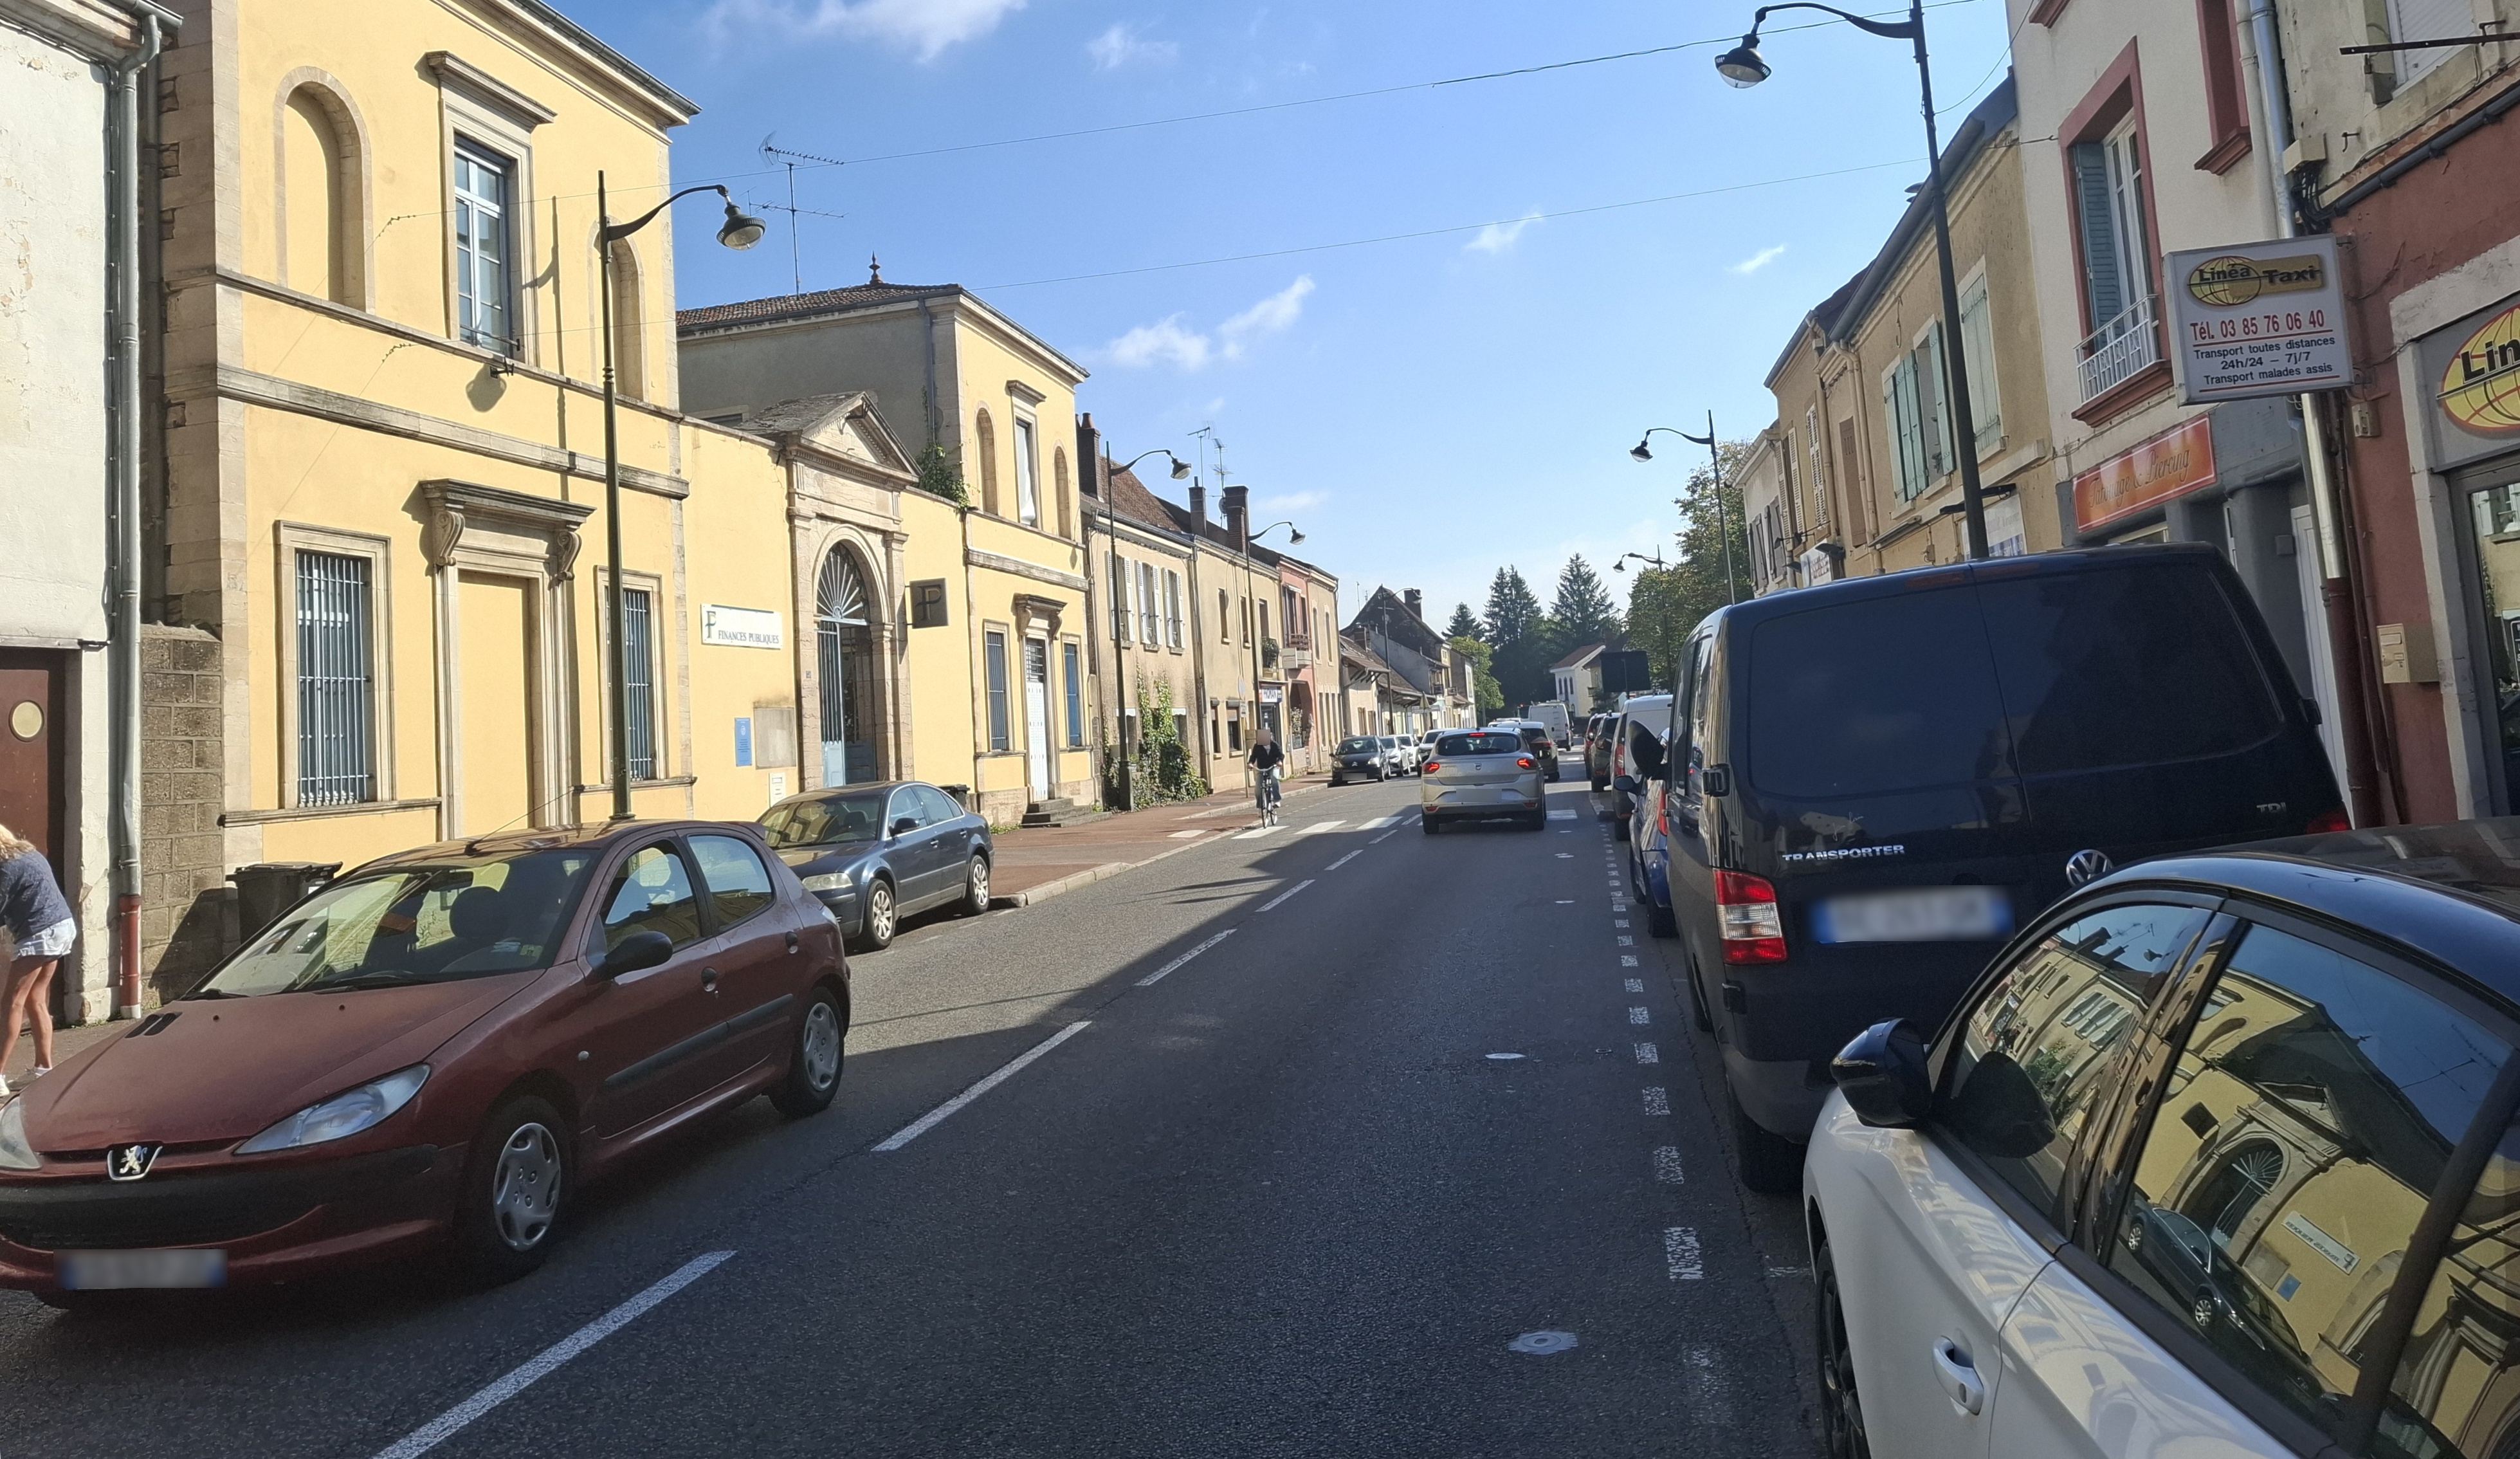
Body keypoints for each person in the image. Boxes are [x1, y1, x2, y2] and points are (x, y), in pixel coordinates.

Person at [0, 825, 72, 1100]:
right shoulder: (31, 854)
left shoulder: (7, 868)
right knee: (35, 999)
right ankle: (43, 1067)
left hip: (40, 934)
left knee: (12, 1002)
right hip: (61, 928)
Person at [1248, 728, 1286, 826]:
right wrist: (1250, 763)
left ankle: (1277, 800)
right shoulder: (1257, 746)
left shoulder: (1275, 745)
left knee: (1274, 778)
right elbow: (1253, 757)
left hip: (1273, 767)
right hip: (1262, 769)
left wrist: (1279, 762)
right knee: (1258, 788)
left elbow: (1280, 755)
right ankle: (1261, 807)